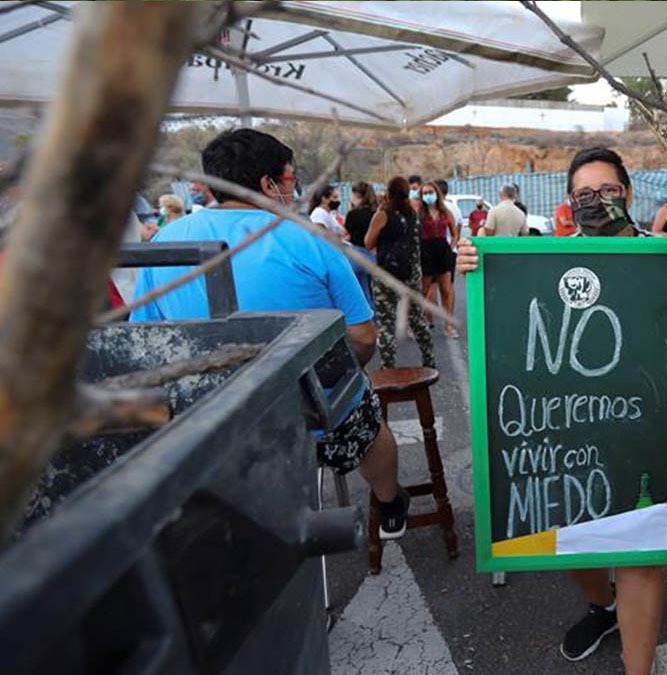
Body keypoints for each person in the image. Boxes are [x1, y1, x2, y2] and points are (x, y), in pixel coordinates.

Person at [455, 146, 667, 675]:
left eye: (606, 191)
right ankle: (603, 606)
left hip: (642, 432)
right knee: (571, 545)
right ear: (568, 202)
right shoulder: (544, 260)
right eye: (583, 195)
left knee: (639, 553)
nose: (595, 202)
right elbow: (502, 325)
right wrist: (474, 265)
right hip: (564, 433)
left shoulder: (665, 258)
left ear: (628, 193)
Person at [130, 128, 409, 540]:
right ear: (268, 184)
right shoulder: (310, 240)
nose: (295, 187)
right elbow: (364, 337)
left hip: (207, 420)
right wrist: (351, 371)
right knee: (367, 416)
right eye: (292, 178)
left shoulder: (165, 242)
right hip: (310, 412)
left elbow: (145, 336)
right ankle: (390, 502)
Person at [367, 176, 436, 368]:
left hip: (386, 275)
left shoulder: (383, 214)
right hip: (412, 273)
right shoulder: (413, 214)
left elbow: (368, 242)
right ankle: (429, 360)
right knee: (416, 318)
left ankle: (388, 365)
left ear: (388, 192)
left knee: (386, 321)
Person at [418, 181, 460, 338]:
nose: (428, 196)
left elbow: (455, 232)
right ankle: (417, 322)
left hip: (442, 249)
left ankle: (448, 326)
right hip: (426, 250)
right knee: (423, 290)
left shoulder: (445, 212)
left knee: (446, 289)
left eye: (431, 192)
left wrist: (451, 246)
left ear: (437, 193)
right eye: (425, 193)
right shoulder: (420, 214)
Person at [344, 181, 379, 309]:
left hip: (356, 255)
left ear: (356, 195)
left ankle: (368, 321)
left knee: (362, 293)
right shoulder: (376, 213)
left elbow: (346, 233)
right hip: (374, 255)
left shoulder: (353, 214)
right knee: (376, 293)